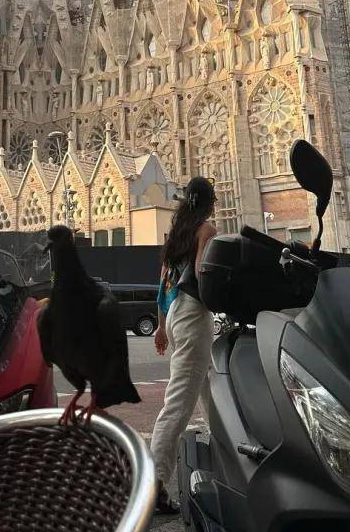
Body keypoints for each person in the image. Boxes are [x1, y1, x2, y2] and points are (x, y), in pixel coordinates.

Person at [149, 176, 217, 514]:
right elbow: (206, 276)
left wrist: (161, 326)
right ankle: (154, 484)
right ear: (209, 202)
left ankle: (226, 455)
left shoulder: (177, 234)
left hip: (175, 313)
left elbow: (164, 283)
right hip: (193, 315)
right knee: (177, 404)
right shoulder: (206, 231)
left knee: (209, 388)